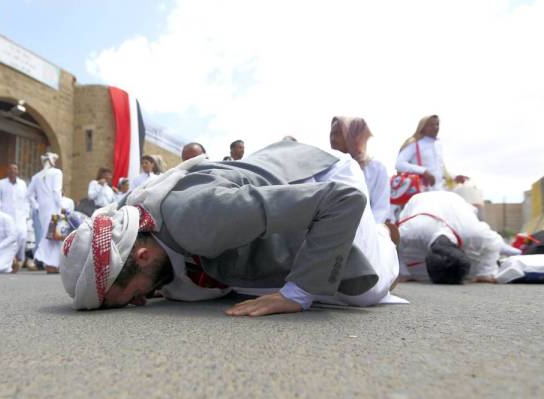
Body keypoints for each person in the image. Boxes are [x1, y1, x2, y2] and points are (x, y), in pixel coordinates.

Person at [60, 141, 401, 315]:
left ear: (143, 254)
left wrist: (296, 295)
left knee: (360, 291)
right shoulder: (131, 223)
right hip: (275, 194)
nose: (139, 302)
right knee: (250, 283)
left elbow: (341, 201)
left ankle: (382, 235)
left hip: (322, 178)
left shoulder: (198, 219)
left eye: (129, 296)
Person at [397, 191, 504, 284]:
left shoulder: (475, 233)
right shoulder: (411, 231)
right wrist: (403, 273)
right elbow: (392, 242)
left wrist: (485, 274)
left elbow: (495, 242)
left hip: (454, 201)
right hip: (418, 201)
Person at [330, 116, 391, 223]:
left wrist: (372, 233)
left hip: (366, 231)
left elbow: (380, 207)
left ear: (354, 136)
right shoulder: (329, 167)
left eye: (338, 134)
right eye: (332, 133)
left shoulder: (375, 168)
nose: (333, 139)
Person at [395, 115, 468, 191]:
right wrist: (423, 171)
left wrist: (455, 177)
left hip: (439, 189)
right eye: (431, 125)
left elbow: (440, 170)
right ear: (423, 127)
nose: (435, 127)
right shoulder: (414, 144)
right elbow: (399, 164)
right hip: (420, 191)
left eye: (437, 124)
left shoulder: (438, 145)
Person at [0, 163, 31, 270]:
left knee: (22, 236)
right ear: (7, 171)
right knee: (9, 238)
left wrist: (27, 214)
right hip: (6, 215)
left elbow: (26, 200)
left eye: (15, 169)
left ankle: (20, 258)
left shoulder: (22, 184)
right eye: (10, 169)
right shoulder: (1, 183)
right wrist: (0, 212)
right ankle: (11, 259)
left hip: (20, 216)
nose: (12, 171)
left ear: (17, 171)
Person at [30, 153, 64, 274]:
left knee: (50, 235)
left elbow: (29, 195)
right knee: (52, 235)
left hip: (43, 210)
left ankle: (52, 264)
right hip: (54, 209)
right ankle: (40, 255)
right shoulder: (57, 172)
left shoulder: (36, 177)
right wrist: (62, 207)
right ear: (52, 161)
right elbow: (56, 191)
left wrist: (37, 207)